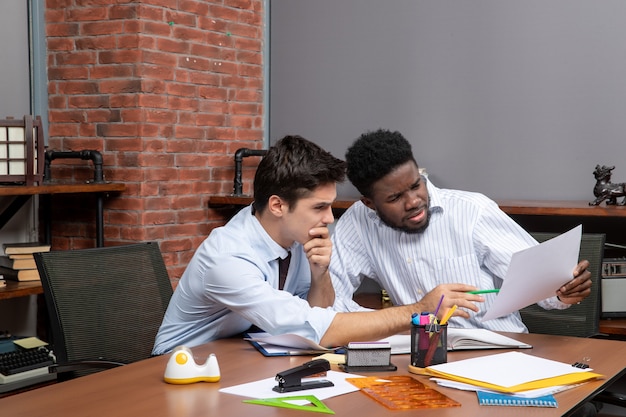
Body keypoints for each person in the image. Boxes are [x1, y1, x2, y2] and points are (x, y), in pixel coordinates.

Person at [152, 134, 445, 355]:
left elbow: (317, 311)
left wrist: (320, 274)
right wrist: (418, 311)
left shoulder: (293, 237)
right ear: (278, 205)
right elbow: (317, 328)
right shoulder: (228, 259)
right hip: (181, 366)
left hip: (238, 357)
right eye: (319, 207)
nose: (329, 218)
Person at [329, 129, 593, 333]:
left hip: (499, 354)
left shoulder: (472, 211)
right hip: (423, 361)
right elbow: (329, 308)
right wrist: (406, 316)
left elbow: (547, 289)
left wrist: (565, 291)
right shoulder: (358, 222)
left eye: (416, 185)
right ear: (369, 203)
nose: (413, 201)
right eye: (395, 198)